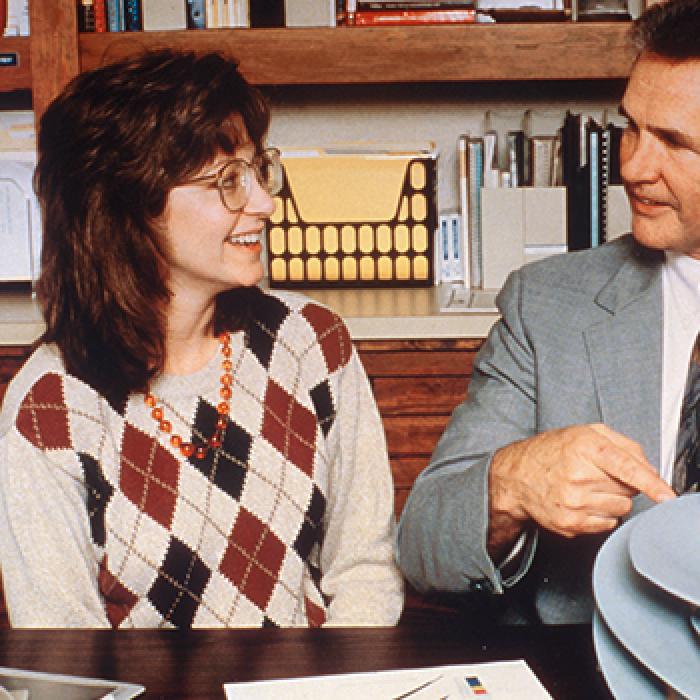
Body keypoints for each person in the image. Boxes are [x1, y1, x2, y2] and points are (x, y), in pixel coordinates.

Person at [0, 49, 403, 628]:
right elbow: (68, 662)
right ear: (130, 207)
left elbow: (364, 574)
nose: (264, 203)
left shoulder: (310, 344)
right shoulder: (51, 408)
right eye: (228, 182)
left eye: (258, 170)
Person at [398, 0, 700, 625]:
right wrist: (509, 484)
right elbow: (421, 545)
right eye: (632, 128)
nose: (633, 166)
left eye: (673, 141)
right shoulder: (548, 305)